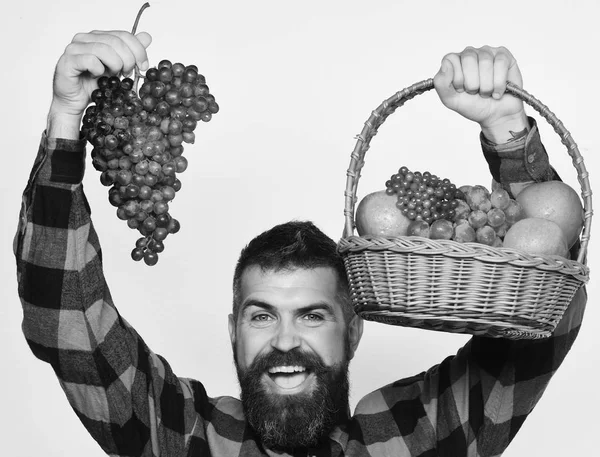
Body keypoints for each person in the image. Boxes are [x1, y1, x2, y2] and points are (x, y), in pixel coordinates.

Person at [14, 29, 586, 457]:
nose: (284, 341)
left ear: (354, 328)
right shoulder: (190, 438)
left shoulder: (411, 440)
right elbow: (69, 327)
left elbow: (543, 325)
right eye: (261, 316)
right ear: (233, 330)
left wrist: (508, 130)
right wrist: (67, 117)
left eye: (312, 315)